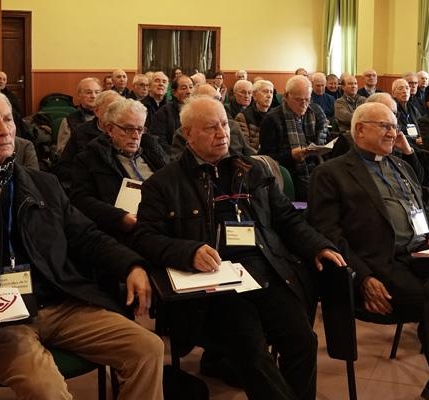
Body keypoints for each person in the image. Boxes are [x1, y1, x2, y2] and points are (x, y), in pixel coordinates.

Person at [0, 88, 163, 399]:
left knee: (148, 348)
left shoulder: (42, 184)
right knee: (45, 387)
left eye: (8, 119)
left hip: (60, 303)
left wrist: (131, 265)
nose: (5, 130)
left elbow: (86, 236)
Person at [133, 95, 345, 400]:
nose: (222, 133)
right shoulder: (164, 183)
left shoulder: (253, 170)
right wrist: (189, 251)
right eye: (210, 128)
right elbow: (145, 237)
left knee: (302, 340)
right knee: (252, 352)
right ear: (188, 134)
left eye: (224, 124)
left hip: (266, 269)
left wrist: (317, 246)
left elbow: (287, 219)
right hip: (215, 284)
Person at [308, 102, 429, 400]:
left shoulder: (401, 165)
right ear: (360, 129)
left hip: (420, 252)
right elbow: (329, 237)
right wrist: (362, 278)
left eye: (394, 126)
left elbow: (425, 212)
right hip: (378, 262)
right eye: (384, 126)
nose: (393, 132)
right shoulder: (331, 173)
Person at [71, 98, 169, 242]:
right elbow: (81, 200)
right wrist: (120, 217)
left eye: (140, 129)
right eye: (129, 129)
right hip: (123, 232)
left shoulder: (153, 151)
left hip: (163, 222)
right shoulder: (89, 159)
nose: (136, 136)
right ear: (110, 129)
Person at [259, 75, 329, 201]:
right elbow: (266, 158)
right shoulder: (272, 119)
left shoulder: (316, 112)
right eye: (299, 100)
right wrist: (291, 155)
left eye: (307, 99)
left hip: (317, 167)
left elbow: (325, 140)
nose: (304, 104)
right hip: (289, 172)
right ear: (286, 96)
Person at [56, 77, 102, 155]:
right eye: (88, 92)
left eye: (97, 92)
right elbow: (62, 152)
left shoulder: (108, 118)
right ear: (79, 95)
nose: (93, 96)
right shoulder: (69, 121)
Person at [149, 74, 193, 152]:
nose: (189, 92)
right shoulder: (163, 113)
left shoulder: (198, 111)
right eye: (184, 88)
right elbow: (160, 143)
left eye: (191, 87)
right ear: (174, 92)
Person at [235, 79, 274, 150]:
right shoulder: (243, 116)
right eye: (265, 91)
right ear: (254, 95)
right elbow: (245, 148)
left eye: (271, 92)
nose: (269, 95)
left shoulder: (275, 115)